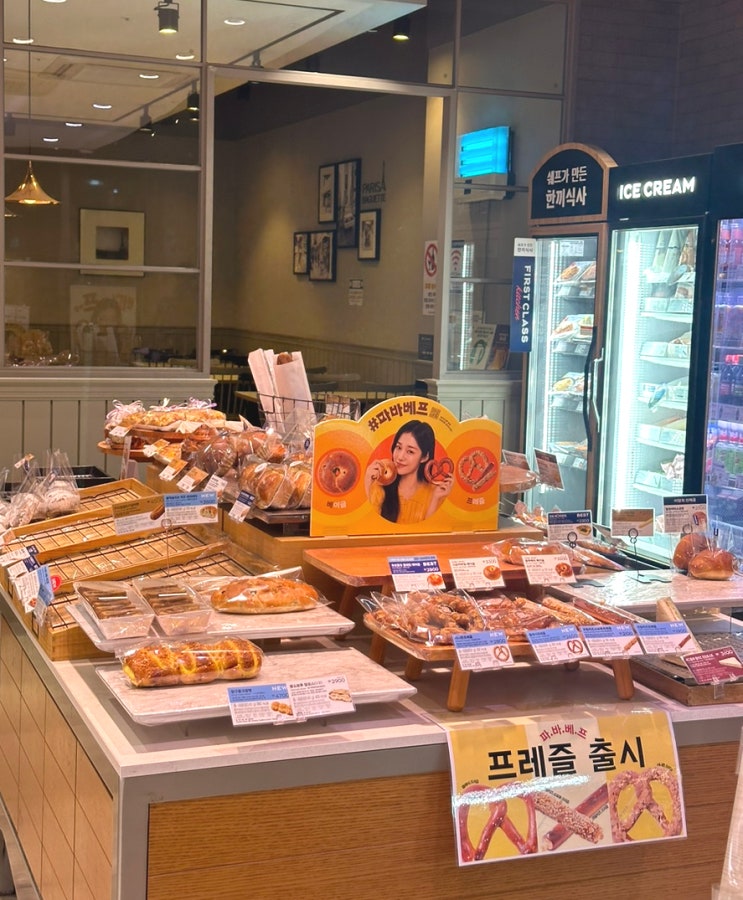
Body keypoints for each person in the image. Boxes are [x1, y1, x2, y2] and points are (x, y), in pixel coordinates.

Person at [364, 419, 453, 524]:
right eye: (398, 447)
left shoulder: (436, 493)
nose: (400, 457)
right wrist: (367, 483)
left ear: (424, 457)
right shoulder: (378, 488)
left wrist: (435, 499)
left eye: (410, 451)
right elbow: (369, 527)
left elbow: (430, 531)